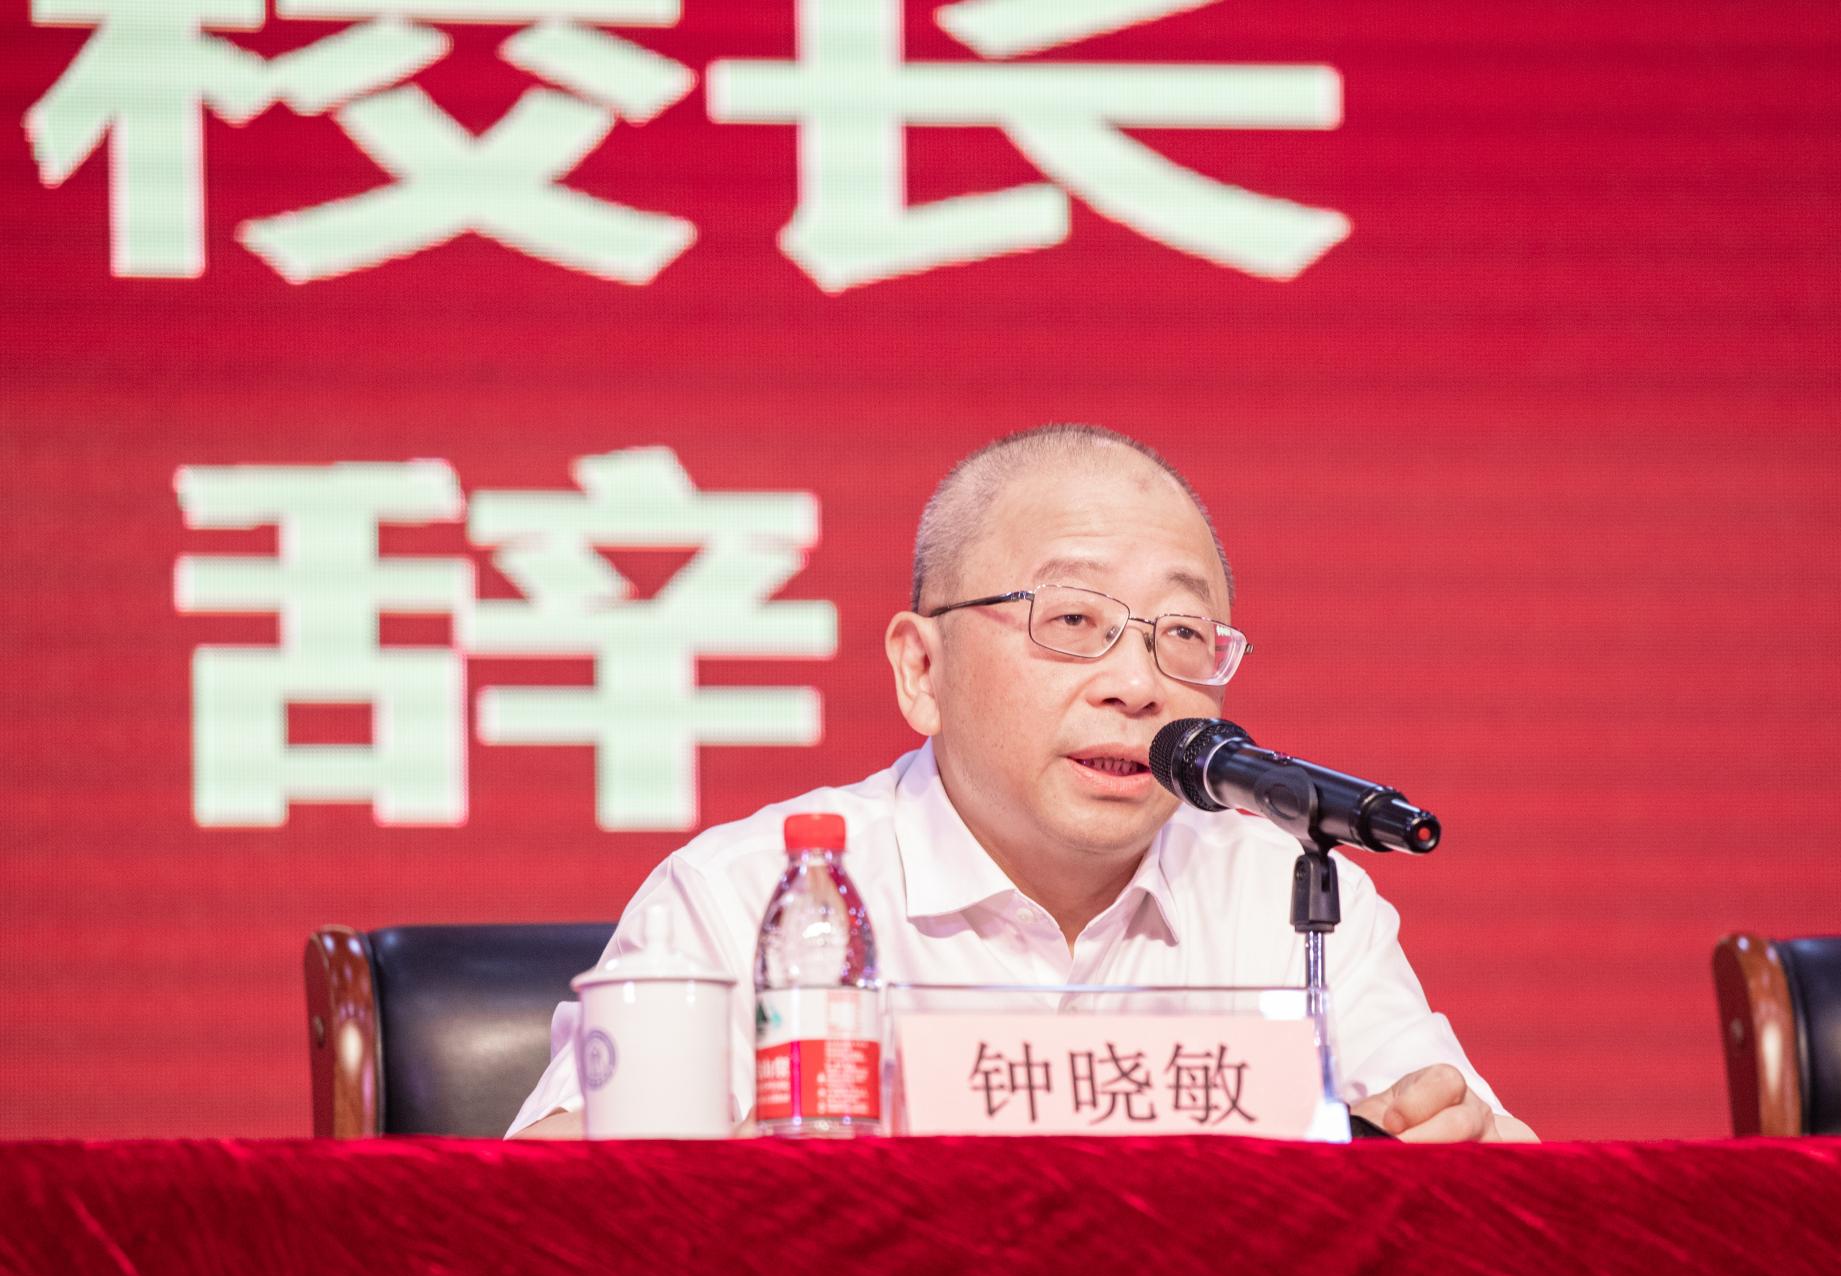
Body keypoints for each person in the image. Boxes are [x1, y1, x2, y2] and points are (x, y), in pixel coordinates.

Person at [510, 424, 1536, 1143]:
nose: (1137, 684)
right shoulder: (746, 895)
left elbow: (1482, 1153)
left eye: (1182, 635)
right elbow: (541, 1220)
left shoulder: (1287, 892)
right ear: (922, 670)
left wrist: (1429, 1151)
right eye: (1073, 621)